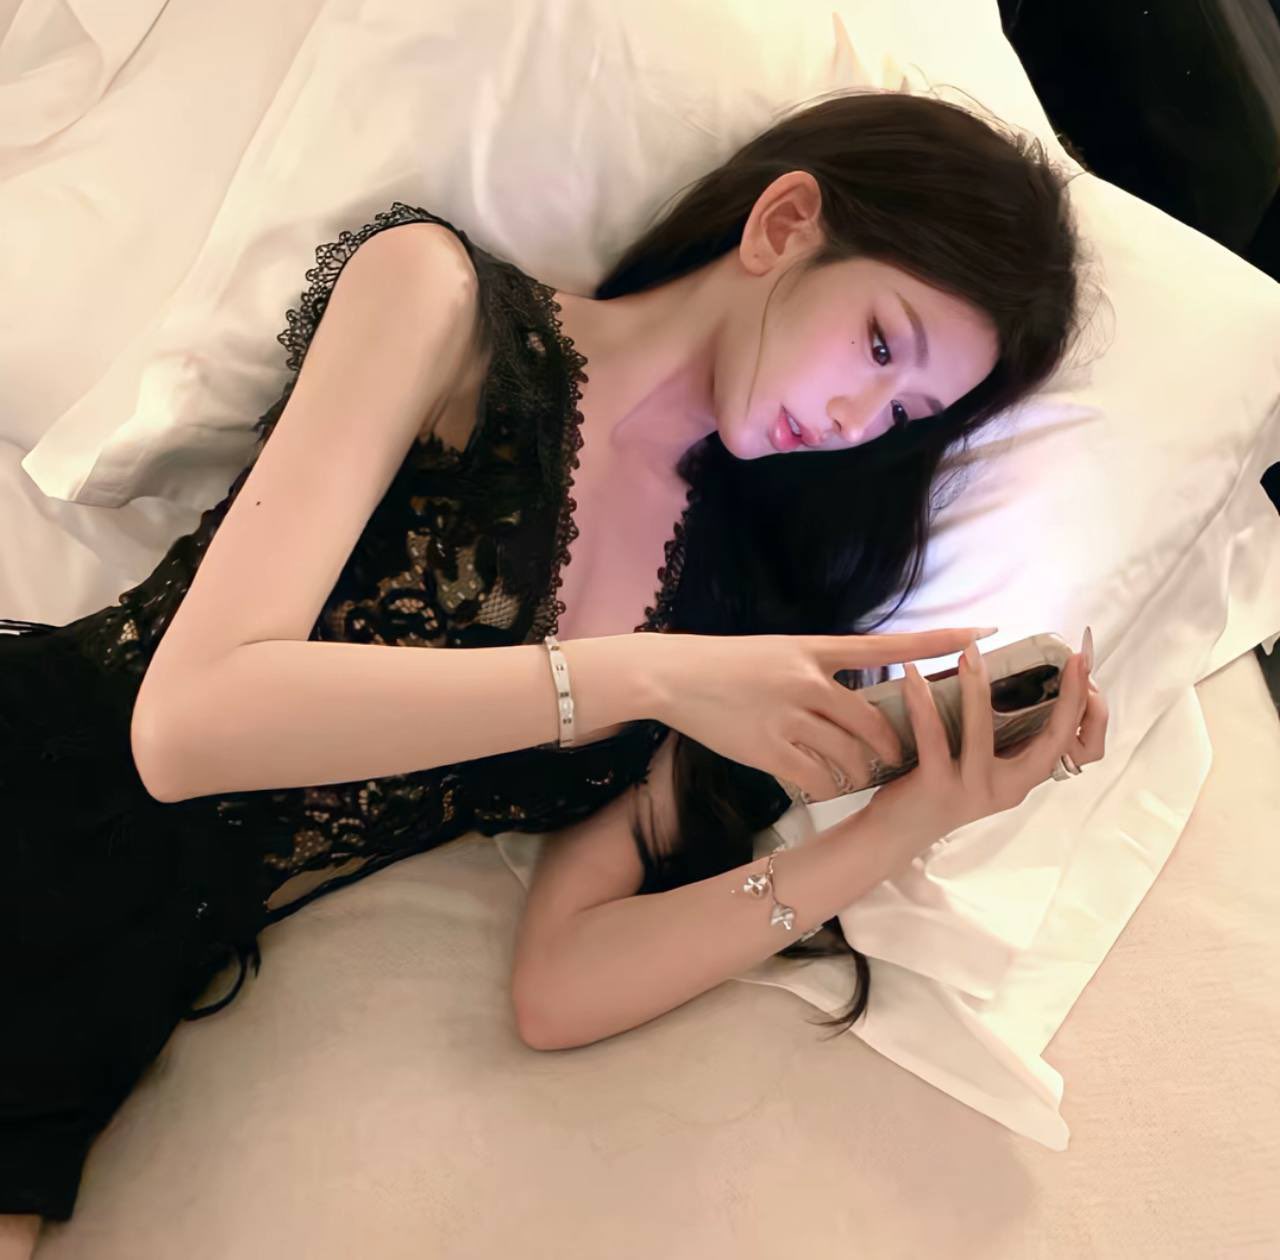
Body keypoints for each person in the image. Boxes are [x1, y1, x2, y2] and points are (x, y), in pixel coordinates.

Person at [0, 88, 1106, 1248]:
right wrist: (645, 677)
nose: (854, 416)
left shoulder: (730, 607)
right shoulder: (442, 305)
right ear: (782, 224)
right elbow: (184, 727)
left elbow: (562, 987)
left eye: (906, 411)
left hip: (95, 1009)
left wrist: (895, 828)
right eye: (879, 344)